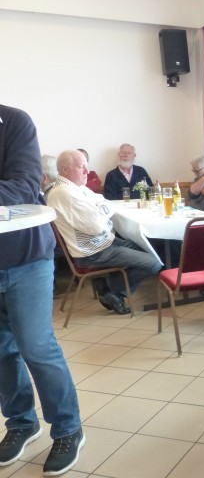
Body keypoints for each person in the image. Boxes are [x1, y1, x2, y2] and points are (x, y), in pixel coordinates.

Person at [0, 104, 85, 476]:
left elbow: (22, 186)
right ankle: (21, 423)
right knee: (1, 351)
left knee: (36, 346)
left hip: (26, 256)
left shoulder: (14, 122)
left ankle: (68, 428)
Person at [48, 150, 161, 314]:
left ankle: (108, 285)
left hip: (105, 241)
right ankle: (113, 290)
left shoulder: (76, 188)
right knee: (153, 263)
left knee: (150, 249)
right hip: (92, 252)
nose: (87, 171)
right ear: (65, 170)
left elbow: (104, 201)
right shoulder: (64, 193)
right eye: (81, 167)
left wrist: (100, 211)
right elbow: (96, 226)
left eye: (87, 166)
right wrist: (102, 213)